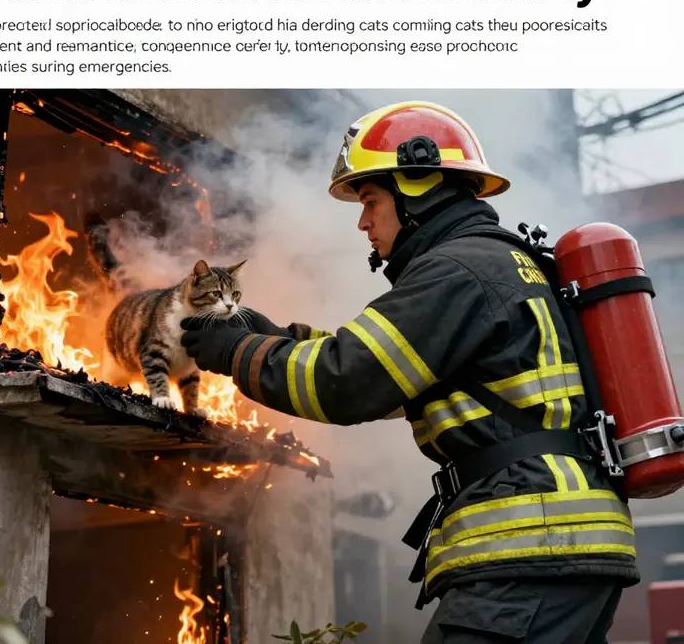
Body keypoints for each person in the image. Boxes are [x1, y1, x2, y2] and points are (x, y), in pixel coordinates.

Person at [181, 101, 639, 643]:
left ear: (418, 185)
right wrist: (276, 338)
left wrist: (236, 353)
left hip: (531, 548)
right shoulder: (503, 263)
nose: (362, 220)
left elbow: (348, 380)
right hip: (564, 547)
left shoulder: (457, 269)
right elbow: (395, 377)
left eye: (371, 199)